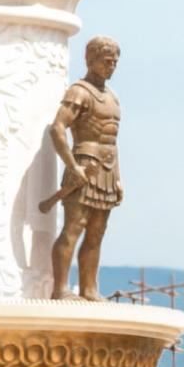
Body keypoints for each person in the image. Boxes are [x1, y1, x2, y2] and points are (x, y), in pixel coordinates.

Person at [45, 38, 125, 301]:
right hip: (83, 163)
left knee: (97, 231)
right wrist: (71, 164)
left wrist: (119, 179)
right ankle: (61, 289)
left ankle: (89, 288)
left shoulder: (112, 97)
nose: (111, 66)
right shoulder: (79, 91)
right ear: (91, 60)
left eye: (115, 62)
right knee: (74, 227)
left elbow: (112, 141)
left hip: (108, 170)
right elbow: (57, 128)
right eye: (106, 61)